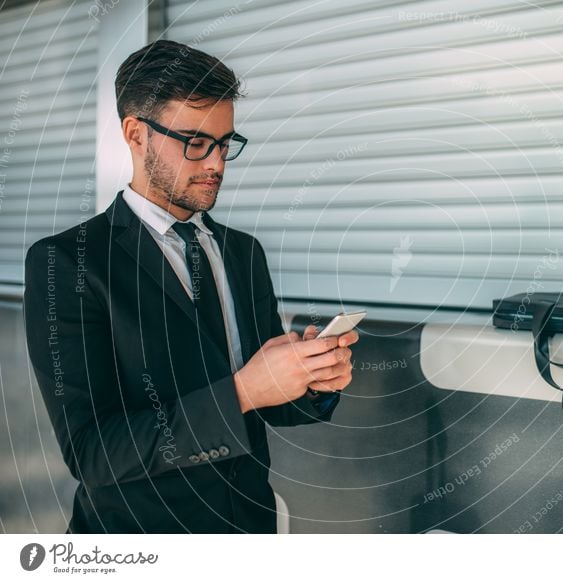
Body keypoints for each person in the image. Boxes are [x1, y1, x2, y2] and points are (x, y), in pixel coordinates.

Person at [23, 39, 358, 533]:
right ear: (136, 134)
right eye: (196, 142)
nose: (216, 164)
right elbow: (92, 453)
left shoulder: (244, 253)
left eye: (225, 144)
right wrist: (243, 390)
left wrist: (311, 383)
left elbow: (271, 408)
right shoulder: (66, 263)